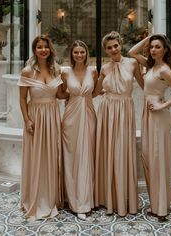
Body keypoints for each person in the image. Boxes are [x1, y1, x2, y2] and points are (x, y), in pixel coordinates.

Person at [128, 34, 171, 222]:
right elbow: (131, 52)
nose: (153, 50)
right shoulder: (150, 66)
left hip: (160, 117)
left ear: (165, 50)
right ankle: (170, 193)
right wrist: (148, 38)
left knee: (158, 158)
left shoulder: (165, 70)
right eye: (151, 47)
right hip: (148, 115)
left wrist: (163, 106)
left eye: (157, 47)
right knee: (148, 157)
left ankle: (161, 207)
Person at [18, 35, 68, 220]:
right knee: (36, 157)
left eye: (46, 47)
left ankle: (51, 198)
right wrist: (27, 120)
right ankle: (35, 198)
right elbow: (22, 98)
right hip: (36, 118)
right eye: (39, 47)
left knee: (51, 156)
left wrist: (81, 93)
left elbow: (61, 95)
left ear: (50, 49)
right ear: (34, 50)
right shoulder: (27, 72)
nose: (43, 50)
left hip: (53, 116)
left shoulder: (57, 70)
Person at [94, 31, 143, 217]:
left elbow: (145, 85)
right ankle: (108, 198)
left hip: (125, 110)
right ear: (105, 50)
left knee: (123, 151)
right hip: (107, 110)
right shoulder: (104, 68)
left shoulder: (132, 63)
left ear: (120, 44)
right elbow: (96, 91)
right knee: (108, 151)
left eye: (116, 45)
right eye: (109, 47)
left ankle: (124, 198)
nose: (113, 49)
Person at [62, 40, 98, 220]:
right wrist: (71, 97)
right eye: (75, 52)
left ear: (86, 53)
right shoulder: (65, 72)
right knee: (72, 156)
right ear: (71, 54)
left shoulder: (93, 71)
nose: (79, 55)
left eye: (82, 52)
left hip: (90, 115)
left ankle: (86, 200)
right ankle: (73, 200)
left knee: (87, 155)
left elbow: (97, 91)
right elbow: (60, 93)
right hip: (71, 117)